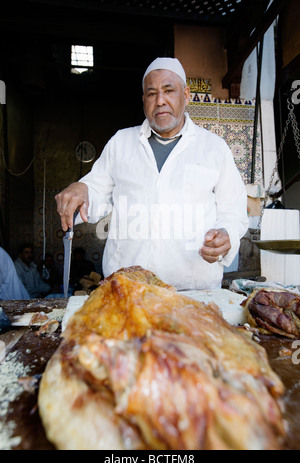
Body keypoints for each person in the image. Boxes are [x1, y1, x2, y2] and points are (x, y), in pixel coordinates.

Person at [55, 57, 249, 290]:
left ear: (186, 95)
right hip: (127, 290)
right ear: (144, 99)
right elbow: (95, 190)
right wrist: (81, 189)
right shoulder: (121, 143)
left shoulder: (213, 147)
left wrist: (226, 235)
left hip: (194, 292)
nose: (160, 101)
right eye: (151, 93)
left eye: (169, 91)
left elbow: (234, 211)